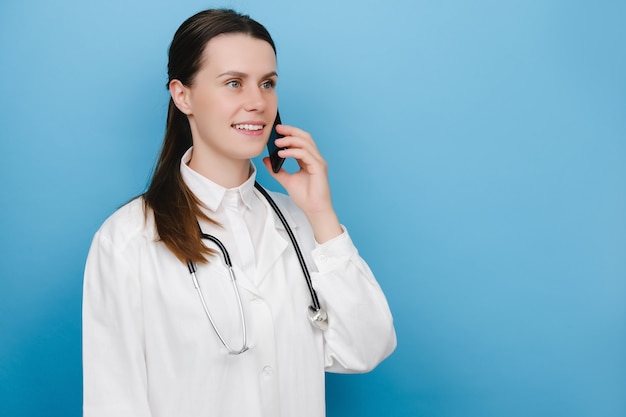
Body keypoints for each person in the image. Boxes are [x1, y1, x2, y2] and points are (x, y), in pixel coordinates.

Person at [82, 8, 396, 417]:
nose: (257, 102)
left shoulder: (301, 223)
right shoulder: (128, 239)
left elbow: (366, 349)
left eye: (268, 84)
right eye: (234, 83)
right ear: (183, 96)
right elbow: (114, 402)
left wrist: (321, 214)